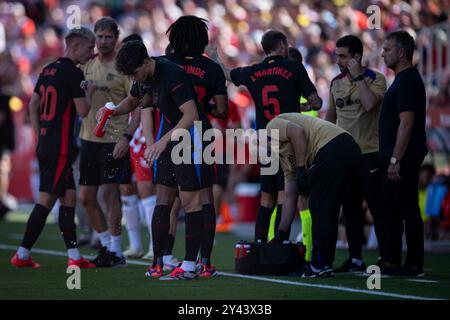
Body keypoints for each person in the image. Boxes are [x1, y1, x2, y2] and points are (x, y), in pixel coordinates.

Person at [115, 40, 215, 280]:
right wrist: (111, 111)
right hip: (171, 136)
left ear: (147, 63)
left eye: (135, 73)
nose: (134, 79)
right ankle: (158, 261)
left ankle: (190, 266)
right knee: (163, 199)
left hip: (192, 137)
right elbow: (133, 102)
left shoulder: (171, 74)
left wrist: (160, 142)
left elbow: (191, 116)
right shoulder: (144, 76)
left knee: (191, 200)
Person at [212, 30, 321, 244]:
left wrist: (213, 55)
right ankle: (279, 246)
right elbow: (317, 102)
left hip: (265, 142)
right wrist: (303, 106)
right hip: (288, 142)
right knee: (285, 196)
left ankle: (259, 245)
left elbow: (225, 72)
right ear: (282, 46)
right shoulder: (294, 67)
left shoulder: (254, 71)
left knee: (266, 197)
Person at [10, 27, 96, 269]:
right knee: (46, 201)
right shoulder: (74, 74)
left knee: (68, 198)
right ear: (75, 46)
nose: (91, 53)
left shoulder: (47, 69)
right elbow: (83, 111)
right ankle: (22, 254)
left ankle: (74, 257)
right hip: (60, 146)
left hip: (49, 143)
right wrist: (89, 92)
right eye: (89, 48)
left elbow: (34, 104)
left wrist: (40, 134)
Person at [162, 15, 228, 277]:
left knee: (166, 197)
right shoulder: (210, 68)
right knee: (204, 198)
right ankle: (205, 262)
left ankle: (161, 260)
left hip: (168, 134)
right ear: (202, 39)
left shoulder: (164, 63)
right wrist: (203, 106)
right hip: (200, 134)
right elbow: (222, 110)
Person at [266, 113, 361, 277]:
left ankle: (319, 264)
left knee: (319, 207)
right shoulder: (283, 157)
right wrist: (281, 234)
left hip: (332, 147)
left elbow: (297, 132)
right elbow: (290, 196)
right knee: (338, 209)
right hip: (350, 147)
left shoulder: (272, 127)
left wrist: (302, 167)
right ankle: (342, 261)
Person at [78, 17, 139, 267]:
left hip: (113, 140)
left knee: (109, 194)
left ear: (116, 38)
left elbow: (140, 105)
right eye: (100, 36)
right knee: (86, 197)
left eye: (108, 37)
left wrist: (127, 137)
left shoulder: (124, 67)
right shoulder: (87, 65)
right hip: (88, 138)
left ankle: (116, 251)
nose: (103, 41)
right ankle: (106, 245)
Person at [325, 35, 387, 273]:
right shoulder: (335, 82)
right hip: (344, 157)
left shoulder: (375, 79)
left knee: (376, 208)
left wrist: (358, 76)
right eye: (337, 55)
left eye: (342, 56)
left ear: (357, 57)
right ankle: (355, 259)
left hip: (370, 154)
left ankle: (387, 258)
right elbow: (331, 118)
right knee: (350, 210)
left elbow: (371, 104)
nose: (338, 60)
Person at [379, 30, 428, 276]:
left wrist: (396, 159)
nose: (383, 53)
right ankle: (391, 260)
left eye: (387, 49)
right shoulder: (402, 79)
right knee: (391, 208)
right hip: (396, 156)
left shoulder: (408, 80)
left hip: (404, 156)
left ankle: (414, 263)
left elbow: (406, 124)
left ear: (401, 52)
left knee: (407, 208)